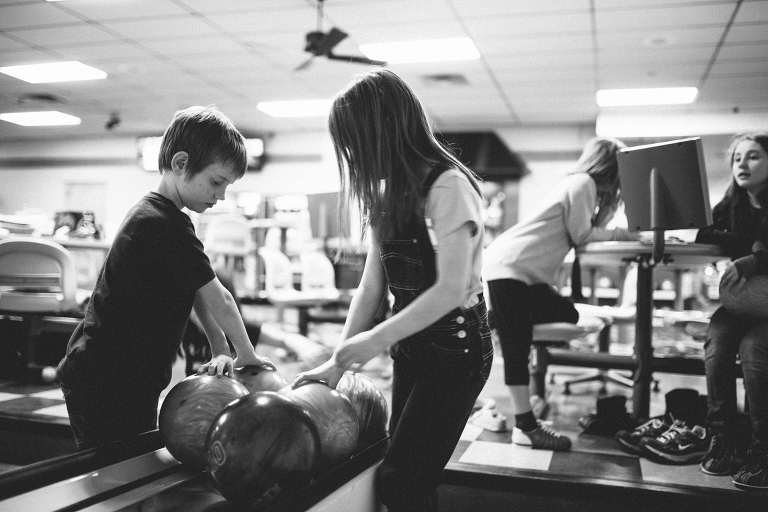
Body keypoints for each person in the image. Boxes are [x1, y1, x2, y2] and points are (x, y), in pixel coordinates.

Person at [292, 68, 493, 512]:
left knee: (402, 481)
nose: (353, 157)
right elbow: (370, 289)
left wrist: (375, 340)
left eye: (354, 146)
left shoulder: (449, 187)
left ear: (384, 132)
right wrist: (336, 362)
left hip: (457, 351)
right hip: (415, 347)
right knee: (406, 470)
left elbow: (449, 289)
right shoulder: (386, 197)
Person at [56, 105, 273, 451]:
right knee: (114, 469)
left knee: (129, 460)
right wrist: (246, 356)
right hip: (106, 380)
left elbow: (199, 291)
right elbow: (222, 298)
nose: (221, 195)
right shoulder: (163, 224)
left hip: (124, 377)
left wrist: (220, 348)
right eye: (217, 182)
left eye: (227, 186)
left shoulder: (159, 216)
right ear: (180, 164)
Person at [483, 137, 641, 451]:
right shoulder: (582, 183)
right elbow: (582, 236)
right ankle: (525, 427)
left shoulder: (582, 187)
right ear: (612, 166)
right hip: (510, 267)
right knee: (518, 346)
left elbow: (584, 231)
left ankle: (495, 316)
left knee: (566, 311)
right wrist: (629, 233)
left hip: (524, 274)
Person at [695, 132, 768, 489]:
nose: (743, 164)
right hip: (740, 303)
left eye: (753, 156)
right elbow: (704, 233)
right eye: (738, 158)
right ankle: (724, 438)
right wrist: (750, 247)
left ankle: (763, 450)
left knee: (755, 351)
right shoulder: (732, 205)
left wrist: (759, 258)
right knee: (717, 345)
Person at [181, 266, 332, 376]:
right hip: (199, 398)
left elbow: (285, 338)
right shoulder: (186, 328)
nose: (197, 311)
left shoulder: (238, 331)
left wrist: (306, 348)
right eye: (195, 303)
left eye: (208, 305)